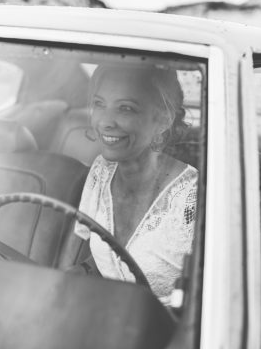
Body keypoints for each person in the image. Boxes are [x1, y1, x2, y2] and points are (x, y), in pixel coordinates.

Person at [72, 63, 198, 301]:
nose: (106, 122)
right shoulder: (100, 171)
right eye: (99, 104)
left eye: (125, 108)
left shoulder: (193, 198)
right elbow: (109, 259)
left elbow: (208, 298)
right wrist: (81, 271)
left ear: (162, 120)